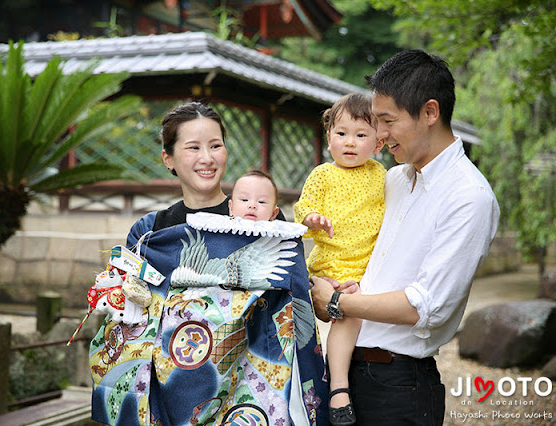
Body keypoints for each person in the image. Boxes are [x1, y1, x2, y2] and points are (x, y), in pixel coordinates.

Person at [89, 101, 330, 426]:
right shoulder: (150, 232)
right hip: (168, 389)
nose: (207, 158)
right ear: (168, 158)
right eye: (193, 147)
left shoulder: (264, 223)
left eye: (215, 145)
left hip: (247, 391)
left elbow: (291, 308)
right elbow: (132, 318)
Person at [310, 49, 500, 425]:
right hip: (345, 371)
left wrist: (337, 303)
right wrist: (329, 288)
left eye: (387, 121)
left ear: (430, 113)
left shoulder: (469, 198)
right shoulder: (393, 179)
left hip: (399, 386)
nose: (379, 135)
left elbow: (424, 306)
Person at [294, 93, 385, 426]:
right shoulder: (322, 175)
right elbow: (303, 208)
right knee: (347, 311)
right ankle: (339, 386)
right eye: (342, 133)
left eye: (361, 135)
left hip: (367, 267)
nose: (351, 142)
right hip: (332, 265)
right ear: (328, 139)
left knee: (355, 309)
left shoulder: (381, 175)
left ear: (378, 142)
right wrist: (313, 218)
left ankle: (340, 380)